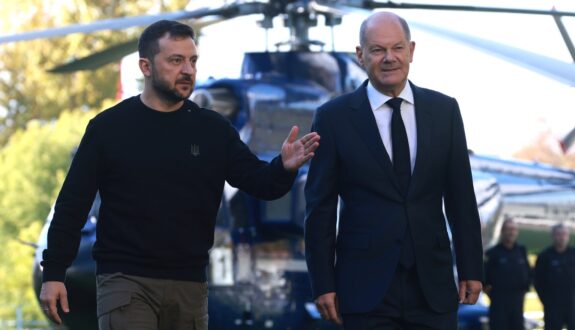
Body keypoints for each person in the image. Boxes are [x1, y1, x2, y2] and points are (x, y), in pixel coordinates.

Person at [38, 20, 320, 330]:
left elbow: (260, 184)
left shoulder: (213, 130)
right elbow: (72, 205)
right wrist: (54, 273)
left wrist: (284, 166)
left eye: (193, 60)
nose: (187, 70)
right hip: (126, 281)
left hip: (189, 284)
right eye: (176, 60)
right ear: (146, 66)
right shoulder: (108, 128)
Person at [304, 11, 483, 329]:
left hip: (433, 288)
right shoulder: (333, 118)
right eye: (377, 50)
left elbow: (461, 197)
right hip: (363, 290)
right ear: (360, 55)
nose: (389, 58)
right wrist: (323, 282)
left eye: (397, 48)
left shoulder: (445, 111)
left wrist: (471, 267)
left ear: (411, 50)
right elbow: (320, 209)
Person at [534, 224, 575, 330]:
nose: (562, 237)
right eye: (559, 234)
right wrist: (546, 300)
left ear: (568, 236)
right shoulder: (545, 256)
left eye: (564, 234)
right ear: (553, 236)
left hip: (571, 303)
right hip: (552, 305)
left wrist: (574, 293)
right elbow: (538, 281)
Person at [484, 218, 532, 330]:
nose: (511, 232)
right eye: (508, 229)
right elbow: (485, 279)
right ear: (502, 231)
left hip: (518, 303)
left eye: (514, 229)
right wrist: (493, 296)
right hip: (498, 304)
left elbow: (528, 274)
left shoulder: (521, 251)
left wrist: (525, 290)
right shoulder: (492, 253)